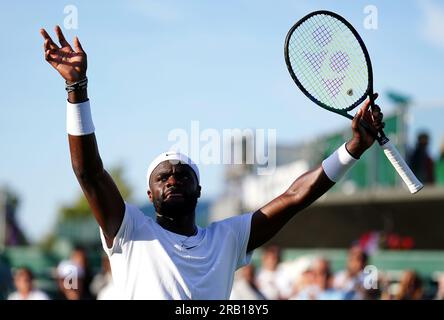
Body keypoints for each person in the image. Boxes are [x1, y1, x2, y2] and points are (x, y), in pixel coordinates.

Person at [39, 26, 384, 300]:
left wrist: (354, 147)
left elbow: (295, 197)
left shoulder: (228, 238)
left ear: (199, 189)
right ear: (149, 192)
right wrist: (76, 87)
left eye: (182, 175)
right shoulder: (129, 230)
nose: (173, 180)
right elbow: (89, 173)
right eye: (163, 177)